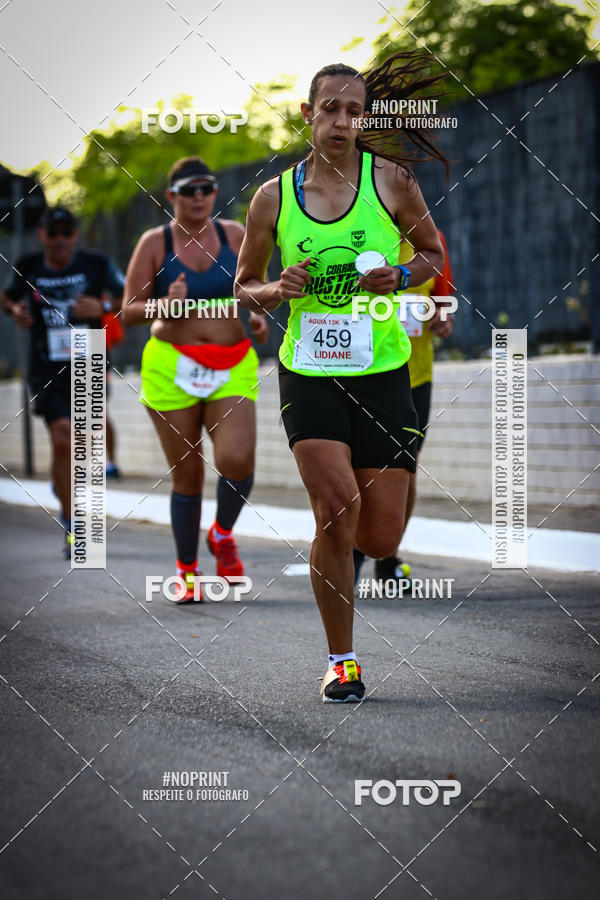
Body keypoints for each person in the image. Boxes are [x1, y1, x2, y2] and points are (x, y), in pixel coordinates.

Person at [235, 53, 449, 701]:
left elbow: (433, 253)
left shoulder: (393, 182)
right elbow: (244, 285)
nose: (342, 120)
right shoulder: (273, 197)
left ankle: (353, 562)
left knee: (379, 536)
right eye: (330, 108)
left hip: (383, 370)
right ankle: (342, 661)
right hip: (309, 371)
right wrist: (277, 289)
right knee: (335, 510)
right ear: (308, 113)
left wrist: (402, 275)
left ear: (365, 119)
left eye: (355, 111)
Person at [121, 157, 268, 602]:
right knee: (187, 475)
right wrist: (164, 304)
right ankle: (187, 571)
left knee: (238, 461)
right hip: (172, 365)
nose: (199, 197)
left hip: (231, 363)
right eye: (189, 190)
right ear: (172, 196)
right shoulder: (155, 242)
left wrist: (257, 316)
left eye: (206, 188)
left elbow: (255, 290)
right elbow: (128, 311)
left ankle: (221, 533)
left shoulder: (235, 236)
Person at [1, 207, 124, 558]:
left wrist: (102, 305)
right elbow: (7, 297)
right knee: (62, 437)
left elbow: (128, 294)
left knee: (85, 444)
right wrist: (15, 311)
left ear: (75, 234)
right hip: (46, 365)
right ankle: (74, 524)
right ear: (42, 235)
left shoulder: (96, 263)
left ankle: (68, 494)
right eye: (52, 232)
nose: (59, 239)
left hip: (89, 356)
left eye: (65, 232)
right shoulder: (28, 265)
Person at [354, 229, 455, 586]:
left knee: (403, 468)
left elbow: (443, 300)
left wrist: (442, 318)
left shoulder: (430, 238)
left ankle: (388, 555)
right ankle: (352, 551)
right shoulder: (359, 232)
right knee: (357, 467)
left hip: (414, 377)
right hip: (362, 374)